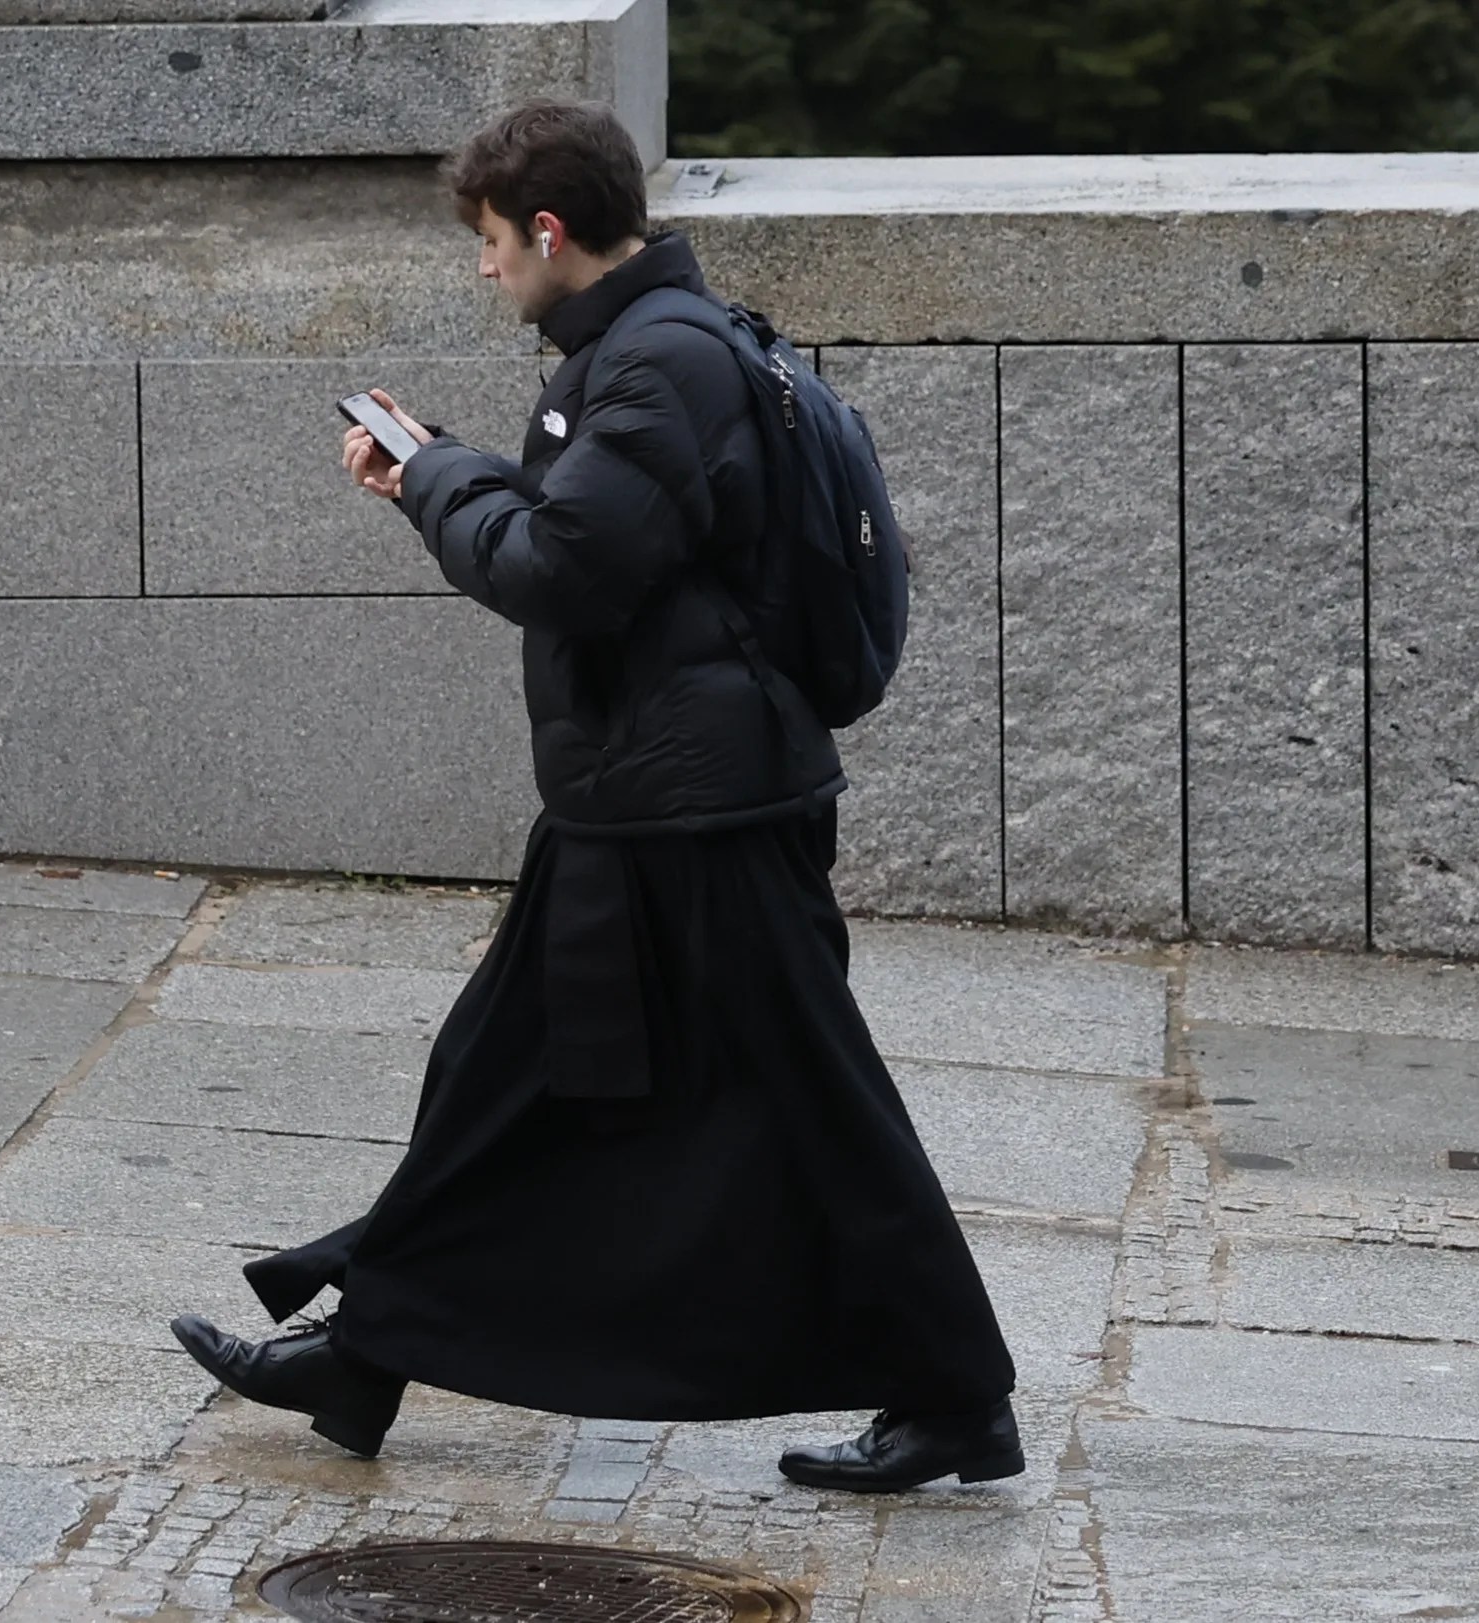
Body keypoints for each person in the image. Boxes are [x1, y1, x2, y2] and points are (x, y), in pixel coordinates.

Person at [167, 99, 1024, 1494]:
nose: (484, 268)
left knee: (813, 1099)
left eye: (492, 243)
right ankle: (366, 1345)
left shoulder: (648, 367)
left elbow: (561, 572)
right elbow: (613, 534)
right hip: (648, 798)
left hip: (697, 812)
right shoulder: (661, 349)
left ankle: (954, 1398)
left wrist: (433, 478)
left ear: (549, 231)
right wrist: (450, 475)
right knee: (497, 1078)